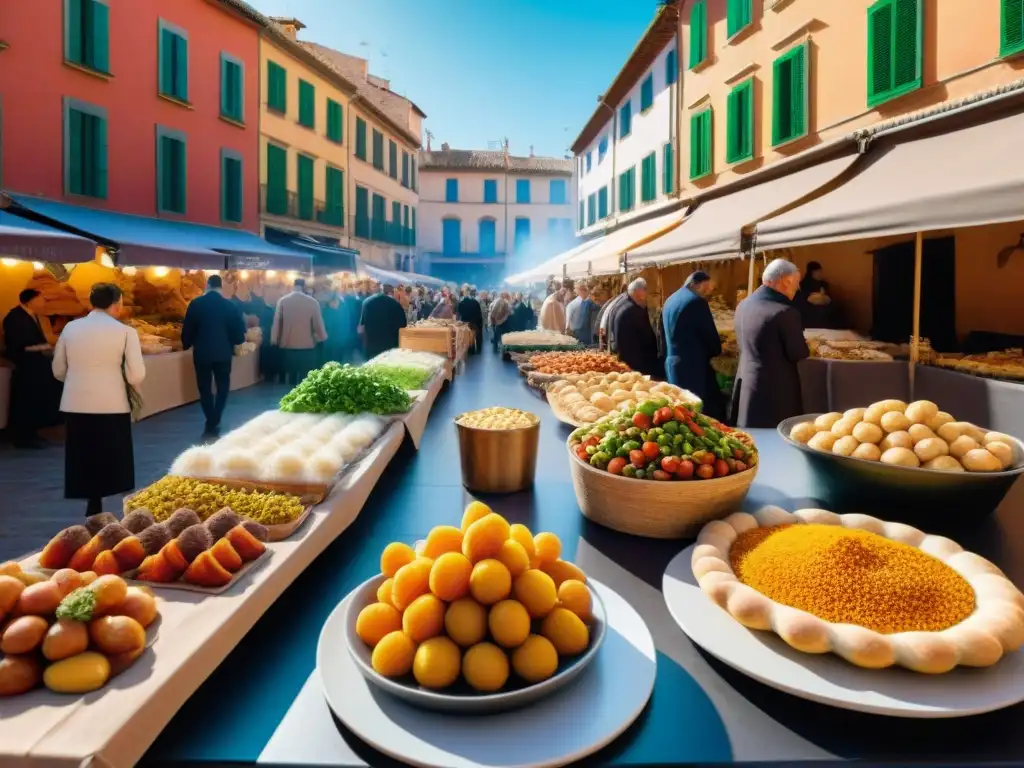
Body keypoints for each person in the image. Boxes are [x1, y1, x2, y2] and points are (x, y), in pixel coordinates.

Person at [52, 283, 145, 516]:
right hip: (112, 401)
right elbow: (136, 374)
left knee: (82, 452)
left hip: (76, 401)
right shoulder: (125, 332)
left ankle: (92, 500)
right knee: (112, 452)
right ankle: (115, 497)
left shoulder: (70, 329)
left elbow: (58, 369)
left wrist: (77, 380)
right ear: (116, 303)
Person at [730, 259, 810, 428]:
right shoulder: (785, 312)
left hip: (746, 383)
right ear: (786, 281)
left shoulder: (743, 305)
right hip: (775, 391)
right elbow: (798, 352)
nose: (797, 287)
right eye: (797, 282)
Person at [181, 274, 247, 437]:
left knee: (204, 388)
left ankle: (210, 417)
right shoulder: (230, 306)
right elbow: (239, 334)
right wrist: (232, 343)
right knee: (223, 386)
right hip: (224, 353)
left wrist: (187, 344)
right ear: (221, 287)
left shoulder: (196, 304)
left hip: (202, 353)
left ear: (207, 285)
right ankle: (216, 416)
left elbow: (187, 330)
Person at [662, 271, 725, 419]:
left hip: (673, 364)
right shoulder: (696, 302)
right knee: (699, 414)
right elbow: (709, 334)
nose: (709, 291)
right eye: (709, 287)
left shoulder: (670, 299)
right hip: (693, 367)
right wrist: (718, 350)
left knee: (680, 410)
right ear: (701, 284)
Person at [3, 289, 60, 448]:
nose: (43, 303)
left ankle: (32, 433)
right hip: (25, 367)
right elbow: (18, 344)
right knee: (25, 401)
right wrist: (42, 347)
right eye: (40, 299)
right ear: (31, 300)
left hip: (36, 365)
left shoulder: (32, 315)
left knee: (35, 400)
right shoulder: (15, 317)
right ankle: (24, 437)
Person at [271, 278, 327, 386]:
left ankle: (290, 392)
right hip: (307, 345)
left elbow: (277, 323)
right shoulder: (312, 302)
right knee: (304, 375)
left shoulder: (282, 301)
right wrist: (321, 337)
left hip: (287, 345)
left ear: (293, 286)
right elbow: (318, 323)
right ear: (304, 287)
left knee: (291, 374)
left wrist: (274, 340)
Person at [611, 278, 660, 376]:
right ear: (636, 291)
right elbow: (644, 335)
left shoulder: (625, 305)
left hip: (631, 359)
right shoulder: (631, 310)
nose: (646, 292)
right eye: (644, 289)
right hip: (637, 361)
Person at [360, 283, 407, 359]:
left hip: (371, 348)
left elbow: (361, 328)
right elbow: (403, 327)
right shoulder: (396, 305)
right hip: (390, 349)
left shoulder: (366, 302)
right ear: (391, 292)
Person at [796, 260, 834, 329]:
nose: (820, 273)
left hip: (823, 312)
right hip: (810, 314)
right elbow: (805, 300)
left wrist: (823, 298)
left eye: (820, 271)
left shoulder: (824, 284)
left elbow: (829, 299)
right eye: (817, 271)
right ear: (812, 272)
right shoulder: (803, 284)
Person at [597, 284, 629, 352]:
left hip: (611, 341)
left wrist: (601, 342)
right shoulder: (621, 302)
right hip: (614, 342)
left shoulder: (613, 302)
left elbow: (602, 323)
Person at [457, 287, 484, 354]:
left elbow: (460, 313)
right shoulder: (475, 302)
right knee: (478, 335)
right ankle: (479, 349)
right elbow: (479, 313)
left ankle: (470, 350)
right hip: (475, 323)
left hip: (465, 323)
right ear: (469, 292)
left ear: (463, 293)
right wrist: (480, 324)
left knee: (467, 336)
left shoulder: (461, 303)